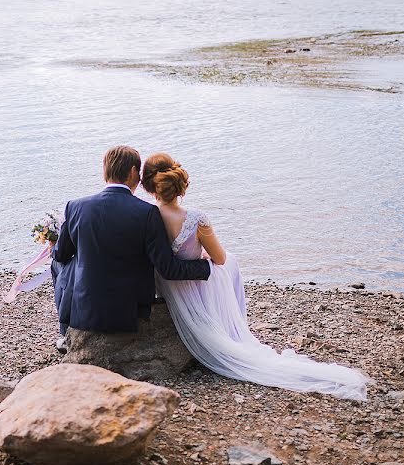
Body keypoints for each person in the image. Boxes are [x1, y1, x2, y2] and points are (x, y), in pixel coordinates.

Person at [142, 152, 369, 401]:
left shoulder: (148, 217)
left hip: (167, 286)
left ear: (150, 185)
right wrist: (201, 255)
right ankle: (234, 325)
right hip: (192, 283)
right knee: (230, 262)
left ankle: (231, 325)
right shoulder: (196, 219)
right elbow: (219, 259)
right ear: (180, 184)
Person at [51, 146, 211, 341]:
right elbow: (168, 269)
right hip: (130, 311)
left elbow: (61, 255)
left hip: (85, 308)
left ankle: (65, 330)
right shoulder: (147, 213)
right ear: (133, 172)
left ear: (105, 171)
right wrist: (206, 267)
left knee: (58, 262)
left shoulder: (75, 206)